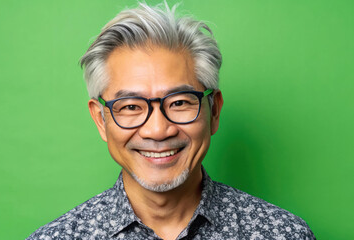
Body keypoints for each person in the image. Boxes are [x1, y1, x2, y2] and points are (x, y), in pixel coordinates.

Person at [28, 2, 314, 240]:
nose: (158, 129)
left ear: (213, 111)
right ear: (101, 120)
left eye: (179, 103)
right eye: (131, 106)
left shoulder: (283, 234)